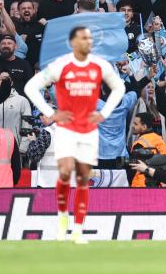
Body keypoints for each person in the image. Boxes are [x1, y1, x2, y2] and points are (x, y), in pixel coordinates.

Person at [23, 26, 125, 244]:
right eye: (82, 38)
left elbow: (119, 87)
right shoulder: (61, 65)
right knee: (65, 175)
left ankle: (78, 229)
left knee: (82, 179)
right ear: (72, 42)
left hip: (89, 130)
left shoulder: (99, 65)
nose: (87, 41)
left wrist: (105, 112)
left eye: (89, 38)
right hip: (66, 129)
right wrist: (50, 113)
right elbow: (31, 87)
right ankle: (62, 223)